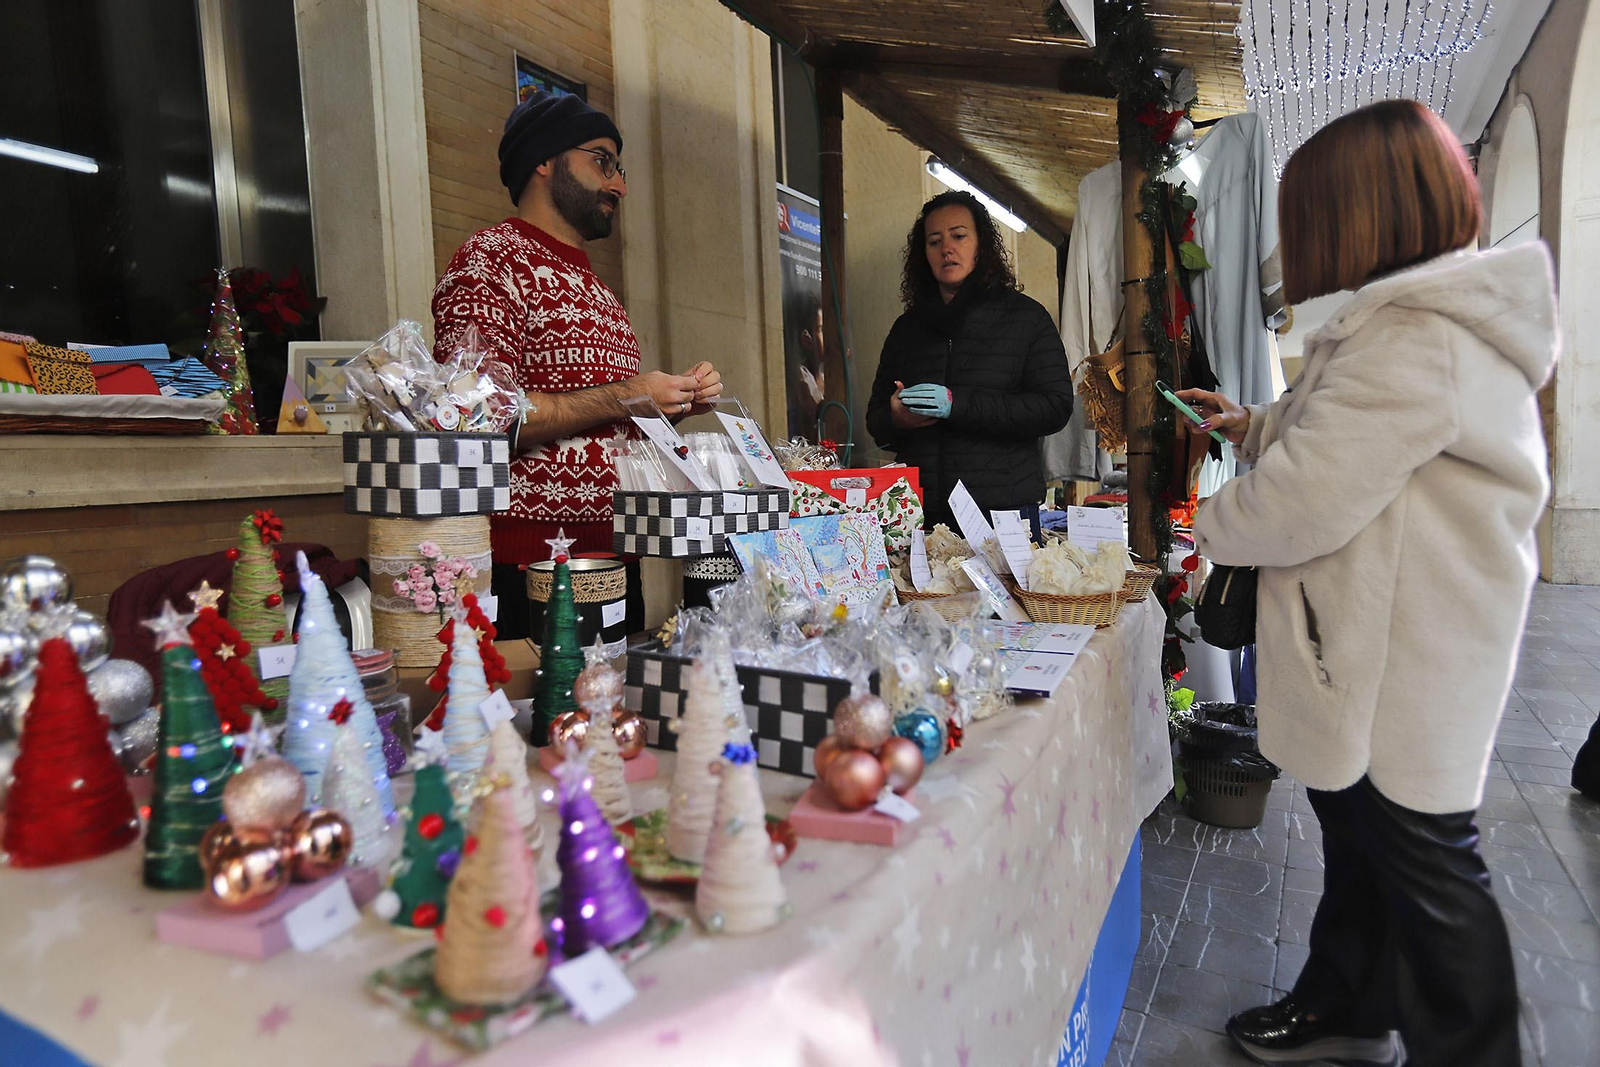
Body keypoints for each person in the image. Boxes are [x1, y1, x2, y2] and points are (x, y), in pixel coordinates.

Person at [1180, 100, 1557, 1067]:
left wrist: (1208, 523)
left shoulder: (1413, 336)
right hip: (1398, 640)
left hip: (1410, 652)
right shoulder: (1407, 322)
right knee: (1364, 837)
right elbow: (1349, 436)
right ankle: (1347, 1002)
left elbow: (1308, 497)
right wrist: (1255, 426)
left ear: (1360, 210)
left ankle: (1471, 1049)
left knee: (1428, 871)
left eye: (1304, 215)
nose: (1294, 238)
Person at [432, 90, 723, 637]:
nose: (619, 184)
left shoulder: (600, 292)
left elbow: (601, 427)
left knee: (610, 718)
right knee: (543, 718)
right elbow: (482, 420)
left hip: (616, 558)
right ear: (543, 161)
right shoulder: (488, 261)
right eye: (602, 160)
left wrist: (668, 406)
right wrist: (625, 394)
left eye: (620, 167)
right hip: (531, 567)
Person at [865, 190, 1072, 533]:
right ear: (924, 255)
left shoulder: (1025, 318)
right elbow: (876, 421)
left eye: (959, 236)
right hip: (922, 517)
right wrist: (896, 417)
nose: (947, 248)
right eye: (934, 241)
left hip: (1004, 515)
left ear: (981, 246)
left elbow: (1054, 406)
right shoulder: (907, 329)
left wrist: (956, 404)